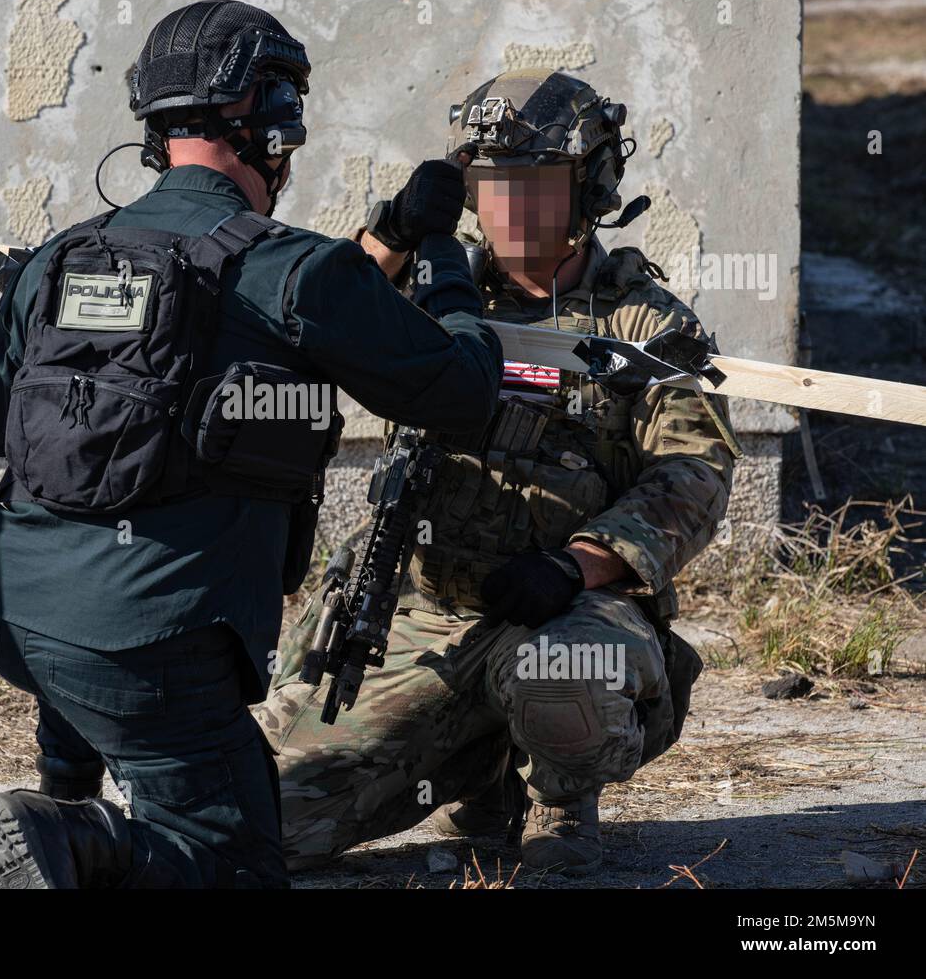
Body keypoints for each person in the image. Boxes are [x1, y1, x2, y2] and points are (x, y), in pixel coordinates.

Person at [0, 0, 502, 888]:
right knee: (236, 865)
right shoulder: (301, 268)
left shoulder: (64, 256)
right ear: (269, 120)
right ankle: (82, 844)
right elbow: (464, 391)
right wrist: (443, 262)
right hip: (147, 642)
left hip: (8, 608)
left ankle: (66, 794)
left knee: (94, 595)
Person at [256, 68, 740, 877]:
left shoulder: (642, 321)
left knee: (557, 681)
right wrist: (394, 233)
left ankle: (561, 800)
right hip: (427, 615)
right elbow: (308, 328)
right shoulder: (436, 292)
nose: (509, 207)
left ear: (588, 188)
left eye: (536, 183)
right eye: (490, 185)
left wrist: (578, 564)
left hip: (568, 608)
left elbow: (695, 468)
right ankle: (475, 771)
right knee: (272, 827)